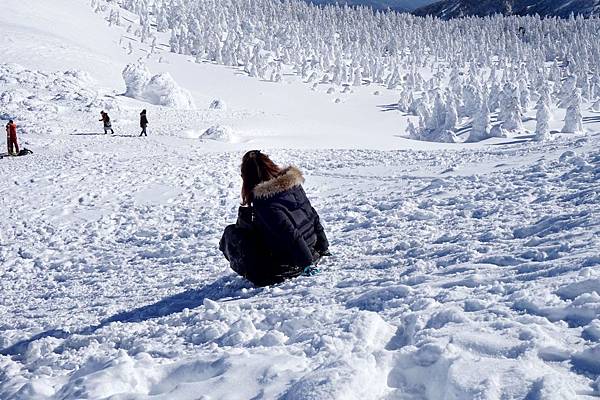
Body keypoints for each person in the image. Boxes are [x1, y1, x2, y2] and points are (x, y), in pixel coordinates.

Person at [220, 150, 330, 286]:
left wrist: (307, 264)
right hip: (313, 250)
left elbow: (290, 233)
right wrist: (323, 246)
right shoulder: (293, 186)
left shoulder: (265, 201)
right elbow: (312, 215)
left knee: (231, 233)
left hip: (290, 264)